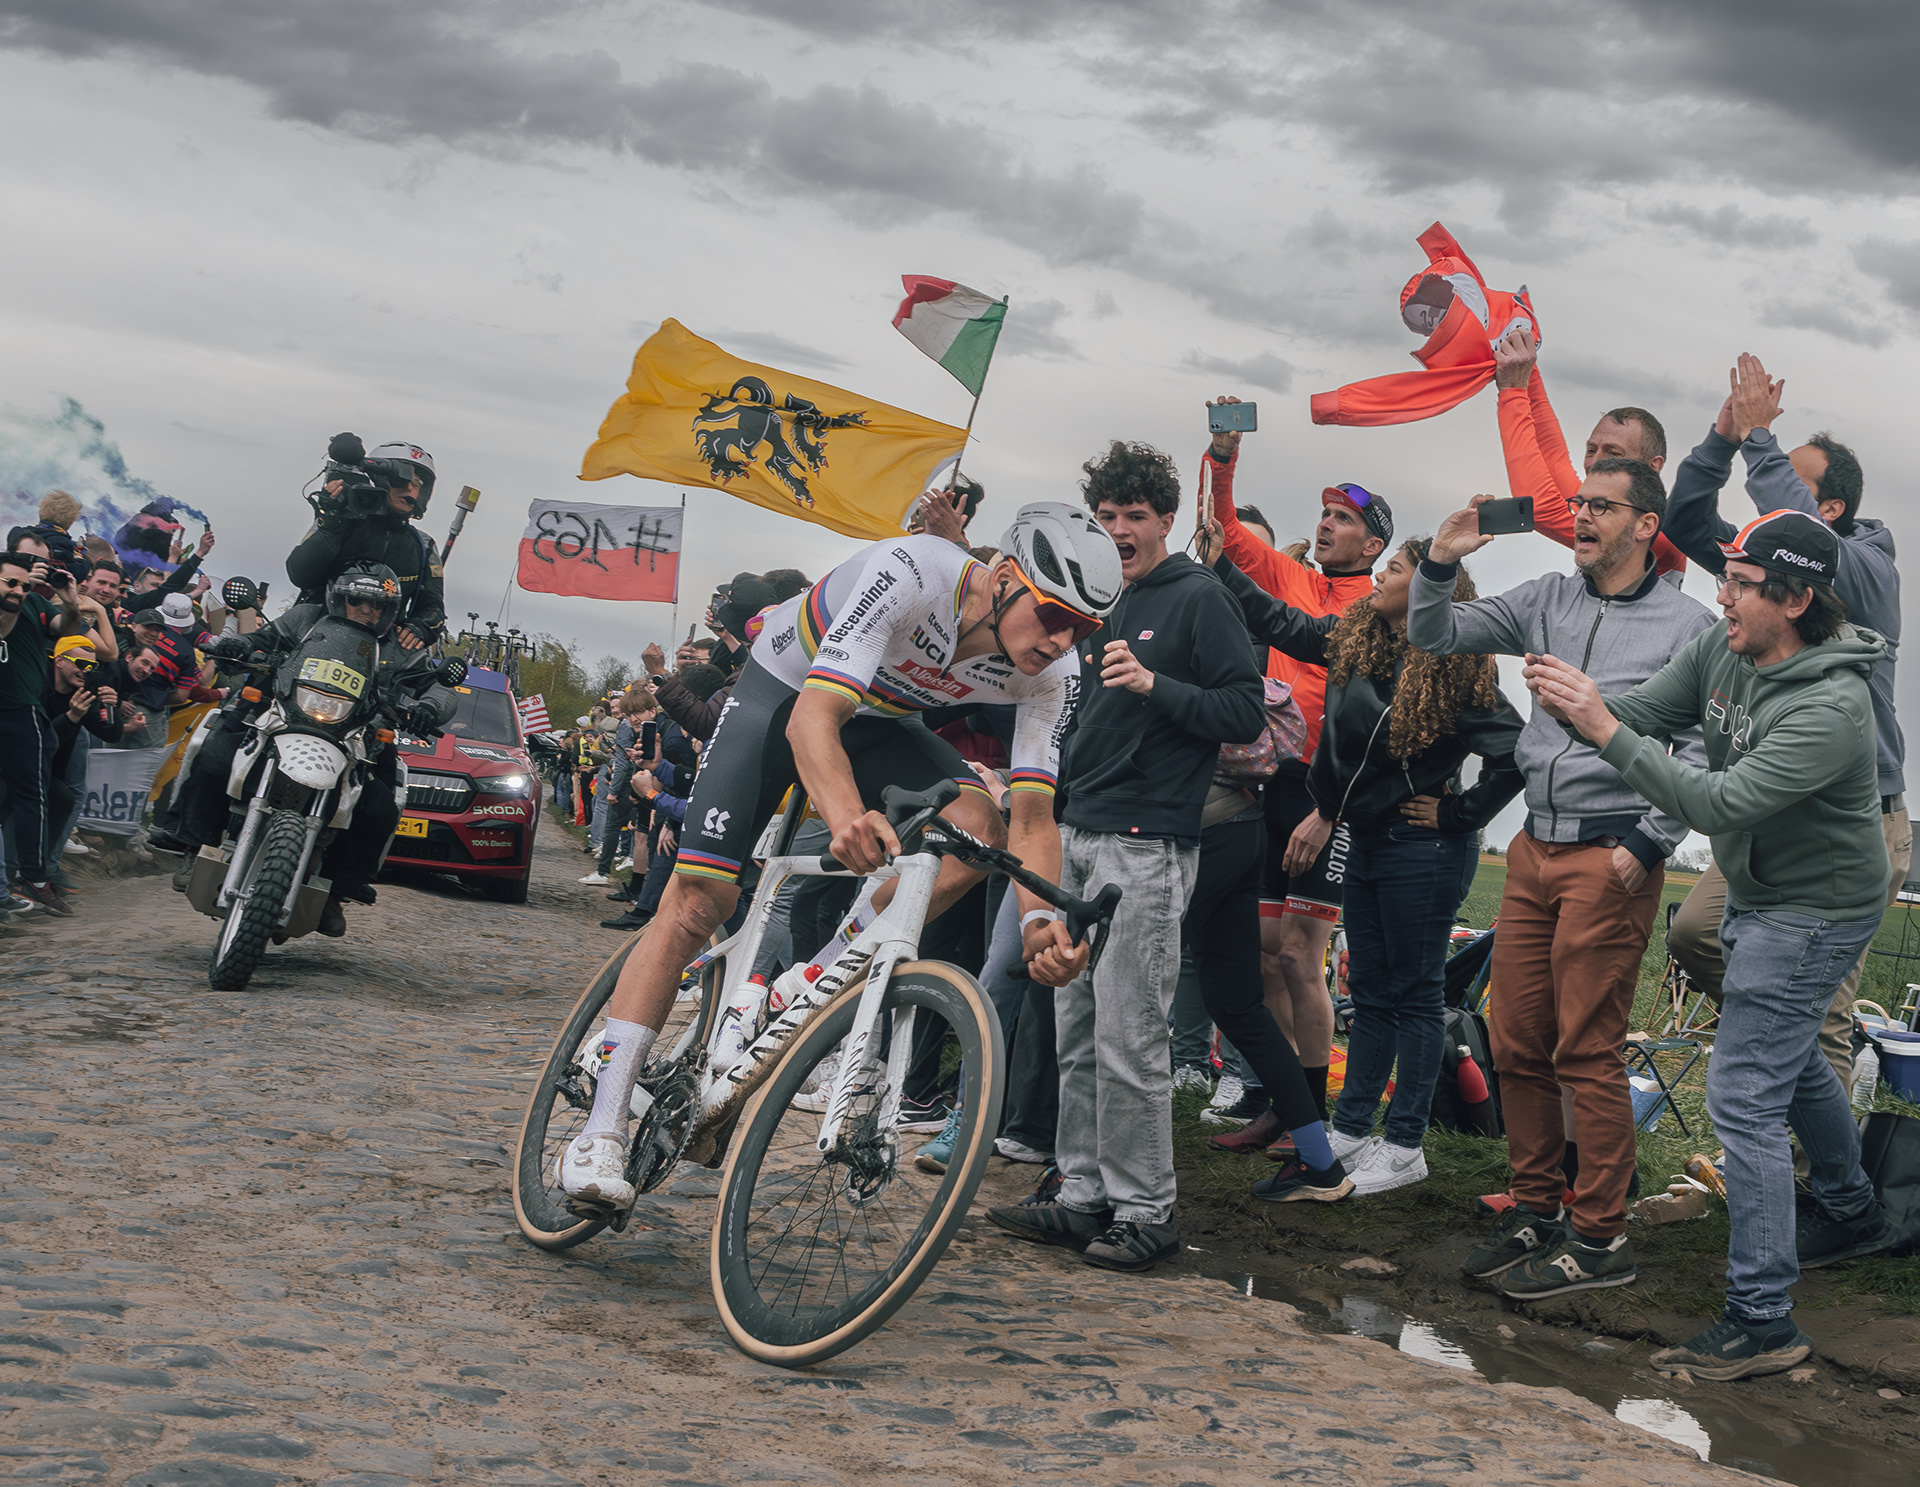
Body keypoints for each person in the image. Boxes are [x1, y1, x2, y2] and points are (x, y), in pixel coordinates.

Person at [556, 505, 1124, 1215]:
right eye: (1052, 614)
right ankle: (599, 1133)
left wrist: (1040, 923)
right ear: (1006, 578)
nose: (1063, 638)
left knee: (981, 828)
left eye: (1085, 627)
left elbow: (1035, 818)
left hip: (878, 719)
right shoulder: (911, 572)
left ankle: (818, 968)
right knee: (701, 900)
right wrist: (846, 817)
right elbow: (810, 720)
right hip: (786, 693)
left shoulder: (1054, 671)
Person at [1527, 509, 1892, 1380]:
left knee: (1744, 1094)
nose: (1718, 595)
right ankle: (1851, 1205)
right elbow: (1647, 710)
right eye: (1722, 574)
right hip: (1762, 892)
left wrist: (1603, 729)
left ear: (1796, 598)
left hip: (1816, 909)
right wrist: (1589, 705)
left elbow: (1717, 804)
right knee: (1784, 1056)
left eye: (1739, 582)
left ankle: (1763, 1317)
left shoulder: (1836, 707)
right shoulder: (1727, 650)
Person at [1411, 460, 1714, 1301]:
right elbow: (1434, 632)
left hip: (1610, 853)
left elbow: (1700, 750)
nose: (1580, 515)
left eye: (1601, 506)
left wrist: (1652, 839)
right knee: (1514, 1039)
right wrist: (1439, 560)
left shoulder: (1690, 626)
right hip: (1534, 848)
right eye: (1578, 502)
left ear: (1647, 524)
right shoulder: (1547, 596)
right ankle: (1538, 1209)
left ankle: (1601, 1233)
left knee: (1586, 1046)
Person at [985, 440, 1264, 1272]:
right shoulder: (1094, 599)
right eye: (1105, 517)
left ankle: (1147, 1209)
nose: (1118, 530)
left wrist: (1155, 686)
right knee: (1073, 1024)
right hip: (1073, 830)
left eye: (1133, 516)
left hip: (1147, 842)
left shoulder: (1198, 597)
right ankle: (1080, 1193)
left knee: (1131, 1034)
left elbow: (1245, 710)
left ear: (1166, 520)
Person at [1203, 525, 1525, 1197]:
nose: (1380, 576)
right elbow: (1280, 622)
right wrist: (1224, 570)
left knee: (1412, 995)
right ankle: (1350, 1129)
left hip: (1426, 846)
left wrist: (1459, 813)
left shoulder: (1458, 666)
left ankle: (1406, 1143)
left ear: (1432, 588)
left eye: (1397, 568)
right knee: (1371, 991)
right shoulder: (1356, 641)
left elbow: (1515, 752)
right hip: (1371, 837)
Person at [1661, 353, 1907, 1094]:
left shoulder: (1865, 568)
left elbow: (1811, 538)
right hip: (1770, 813)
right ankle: (1780, 1047)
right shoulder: (1772, 565)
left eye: (1791, 478)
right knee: (1695, 935)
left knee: (1823, 1016)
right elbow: (1686, 521)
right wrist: (1724, 436)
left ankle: (1817, 1190)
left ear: (1826, 509)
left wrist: (1763, 440)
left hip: (1853, 825)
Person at [1202, 395, 1388, 1132]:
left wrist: (1328, 808)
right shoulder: (1291, 578)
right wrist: (1222, 457)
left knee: (1298, 958)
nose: (1326, 524)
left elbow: (1368, 724)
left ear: (1373, 546)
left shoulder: (1376, 608)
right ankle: (1286, 1101)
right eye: (1324, 514)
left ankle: (1315, 1110)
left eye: (1343, 518)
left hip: (1327, 792)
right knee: (1260, 955)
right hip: (1270, 782)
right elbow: (1222, 536)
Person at [153, 563, 453, 935]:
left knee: (379, 805)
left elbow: (438, 687)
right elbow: (261, 640)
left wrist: (428, 708)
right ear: (338, 597)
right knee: (216, 750)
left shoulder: (400, 644)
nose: (365, 609)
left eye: (376, 604)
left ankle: (336, 890)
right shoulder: (307, 618)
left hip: (358, 733)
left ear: (389, 610)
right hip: (282, 711)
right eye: (356, 599)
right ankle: (192, 843)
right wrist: (238, 645)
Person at [1491, 326, 1687, 576]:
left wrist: (1512, 392)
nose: (1596, 463)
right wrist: (1528, 369)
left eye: (1614, 454)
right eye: (1591, 450)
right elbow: (1553, 457)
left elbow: (1538, 508)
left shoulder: (1658, 527)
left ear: (1653, 465)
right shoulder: (1599, 502)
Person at [286, 436, 446, 650]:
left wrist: (420, 628)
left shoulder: (424, 545)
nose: (409, 488)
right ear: (379, 480)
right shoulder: (341, 522)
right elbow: (300, 574)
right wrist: (331, 524)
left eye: (416, 484)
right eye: (400, 480)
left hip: (382, 657)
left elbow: (433, 608)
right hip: (312, 643)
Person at [0, 549, 87, 914]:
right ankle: (30, 879)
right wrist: (19, 593)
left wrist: (69, 602)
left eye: (24, 581)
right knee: (25, 797)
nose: (19, 588)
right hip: (13, 709)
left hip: (23, 711)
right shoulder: (15, 604)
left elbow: (66, 631)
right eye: (12, 581)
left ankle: (32, 879)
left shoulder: (35, 601)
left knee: (30, 796)